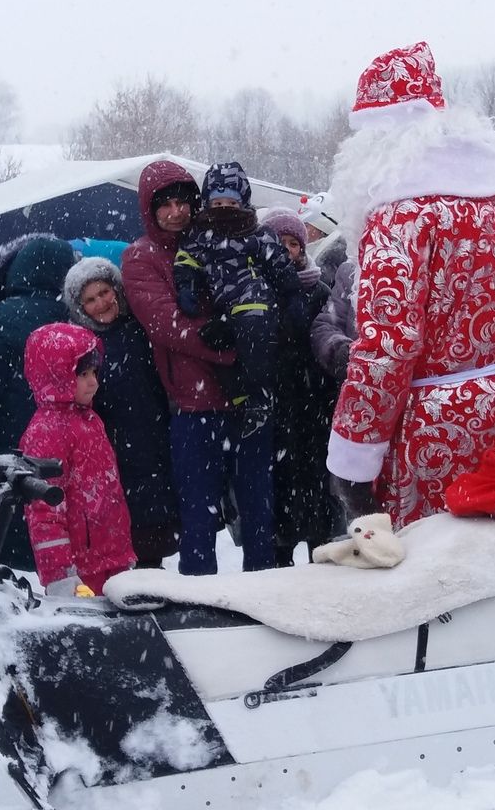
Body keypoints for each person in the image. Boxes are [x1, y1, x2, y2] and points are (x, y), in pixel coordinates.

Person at [325, 41, 495, 528]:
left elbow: (387, 346)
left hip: (439, 429)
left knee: (433, 578)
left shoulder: (401, 212)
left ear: (376, 138)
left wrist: (353, 459)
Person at [122, 160, 274, 574]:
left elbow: (264, 286)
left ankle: (265, 599)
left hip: (248, 398)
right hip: (195, 405)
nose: (176, 212)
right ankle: (199, 604)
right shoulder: (141, 258)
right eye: (165, 205)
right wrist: (229, 344)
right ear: (149, 211)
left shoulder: (218, 235)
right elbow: (165, 324)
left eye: (182, 202)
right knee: (199, 518)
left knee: (259, 512)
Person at [0, 233, 76, 568]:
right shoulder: (75, 314)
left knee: (15, 513)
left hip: (12, 435)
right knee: (56, 509)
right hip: (67, 436)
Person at [64, 257, 179, 569]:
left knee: (152, 529)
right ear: (79, 307)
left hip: (151, 433)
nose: (101, 303)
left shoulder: (140, 329)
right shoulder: (80, 345)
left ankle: (150, 575)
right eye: (90, 299)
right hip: (110, 444)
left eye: (104, 292)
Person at [173, 161, 302, 427]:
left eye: (230, 205)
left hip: (256, 299)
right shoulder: (201, 235)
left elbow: (280, 265)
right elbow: (186, 261)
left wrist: (293, 297)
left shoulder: (257, 233)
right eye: (217, 204)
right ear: (208, 205)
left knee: (255, 346)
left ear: (242, 204)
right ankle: (242, 398)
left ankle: (260, 398)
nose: (224, 211)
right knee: (218, 347)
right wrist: (187, 287)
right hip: (223, 305)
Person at [21, 322, 135, 596]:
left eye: (94, 371)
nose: (93, 381)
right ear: (56, 375)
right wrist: (60, 575)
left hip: (112, 558)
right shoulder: (46, 432)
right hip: (81, 573)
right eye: (83, 373)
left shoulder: (89, 420)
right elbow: (43, 510)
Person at [261, 208, 339, 564]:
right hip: (274, 406)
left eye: (293, 243)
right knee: (279, 496)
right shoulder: (254, 288)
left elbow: (328, 336)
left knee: (319, 492)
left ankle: (321, 556)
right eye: (278, 242)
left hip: (315, 404)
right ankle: (281, 560)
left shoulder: (318, 289)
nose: (286, 250)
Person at [297, 191, 347, 282]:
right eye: (299, 224)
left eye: (306, 225)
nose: (299, 230)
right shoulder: (298, 252)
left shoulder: (326, 264)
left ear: (322, 231)